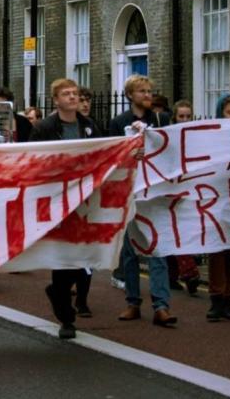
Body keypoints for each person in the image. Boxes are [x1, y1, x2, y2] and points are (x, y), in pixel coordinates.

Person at [30, 78, 101, 339]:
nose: (73, 97)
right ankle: (66, 317)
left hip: (83, 200)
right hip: (56, 200)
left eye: (75, 93)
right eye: (67, 94)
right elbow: (31, 160)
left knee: (81, 257)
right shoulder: (44, 128)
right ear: (56, 100)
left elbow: (104, 155)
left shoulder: (89, 126)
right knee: (63, 256)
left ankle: (58, 293)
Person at [111, 75, 176, 327]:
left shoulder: (162, 120)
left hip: (155, 191)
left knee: (157, 248)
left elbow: (172, 153)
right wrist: (130, 154)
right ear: (130, 95)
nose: (148, 95)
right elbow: (112, 157)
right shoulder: (119, 123)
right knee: (129, 251)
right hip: (130, 190)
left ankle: (161, 306)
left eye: (150, 90)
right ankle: (133, 302)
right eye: (142, 91)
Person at [206, 95, 230, 322]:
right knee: (216, 249)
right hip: (216, 197)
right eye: (229, 112)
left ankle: (228, 297)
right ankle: (216, 298)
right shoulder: (213, 136)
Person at [165, 99, 201, 297]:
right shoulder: (167, 138)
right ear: (174, 118)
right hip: (171, 191)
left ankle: (181, 274)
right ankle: (187, 273)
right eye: (181, 116)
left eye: (188, 116)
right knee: (174, 233)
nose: (185, 119)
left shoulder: (197, 137)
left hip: (191, 190)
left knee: (184, 233)